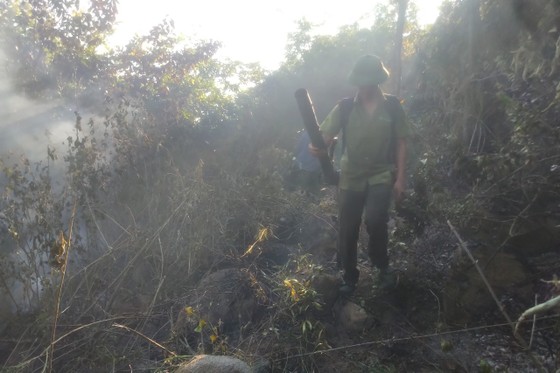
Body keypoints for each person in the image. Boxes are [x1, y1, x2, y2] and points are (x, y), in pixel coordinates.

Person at [309, 55, 410, 294]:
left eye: (369, 83)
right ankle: (349, 276)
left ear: (378, 82)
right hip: (350, 176)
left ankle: (381, 266)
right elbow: (324, 136)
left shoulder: (393, 106)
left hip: (380, 175)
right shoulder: (344, 107)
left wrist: (401, 178)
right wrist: (317, 146)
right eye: (361, 83)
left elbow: (401, 142)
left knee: (376, 220)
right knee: (348, 227)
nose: (364, 88)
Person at [292, 130, 322, 194]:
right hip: (315, 168)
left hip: (303, 165)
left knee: (300, 189)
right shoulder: (322, 137)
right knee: (314, 191)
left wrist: (294, 157)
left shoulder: (306, 134)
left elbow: (298, 148)